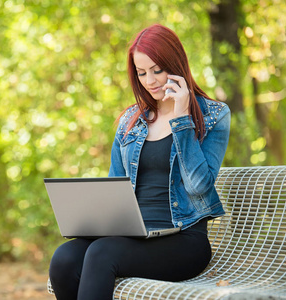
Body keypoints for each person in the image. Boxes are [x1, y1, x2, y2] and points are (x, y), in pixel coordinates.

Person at [48, 24, 231, 300]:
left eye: (157, 70)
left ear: (176, 63)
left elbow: (199, 187)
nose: (150, 81)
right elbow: (115, 187)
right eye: (141, 72)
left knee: (102, 253)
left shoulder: (213, 115)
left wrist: (182, 120)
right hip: (132, 236)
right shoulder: (130, 121)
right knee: (64, 258)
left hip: (183, 240)